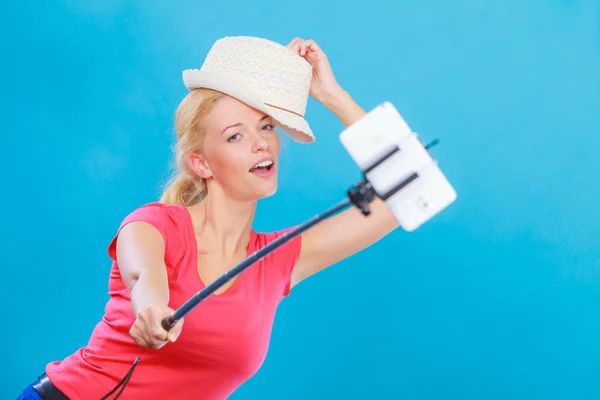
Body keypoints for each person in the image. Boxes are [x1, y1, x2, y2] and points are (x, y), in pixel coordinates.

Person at [17, 36, 400, 400]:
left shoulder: (279, 259)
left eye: (266, 126)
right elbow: (142, 275)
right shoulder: (153, 225)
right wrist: (151, 308)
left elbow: (408, 193)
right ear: (201, 163)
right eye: (235, 136)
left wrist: (333, 96)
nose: (261, 141)